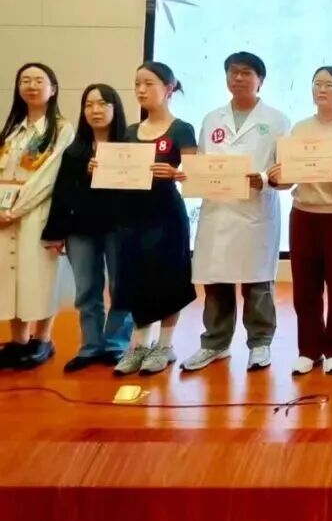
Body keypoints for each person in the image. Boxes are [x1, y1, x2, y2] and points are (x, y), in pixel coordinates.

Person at [181, 52, 291, 373]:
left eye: (246, 73)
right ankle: (215, 344)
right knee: (216, 281)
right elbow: (202, 163)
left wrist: (265, 179)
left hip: (256, 211)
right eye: (233, 72)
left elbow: (285, 170)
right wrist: (190, 176)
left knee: (257, 283)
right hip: (218, 212)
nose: (239, 78)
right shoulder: (211, 119)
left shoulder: (277, 120)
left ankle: (260, 343)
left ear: (260, 80)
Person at [268, 66, 332, 376]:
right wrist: (276, 177)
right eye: (316, 84)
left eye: (329, 84)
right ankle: (309, 349)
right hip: (304, 214)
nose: (321, 89)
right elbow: (287, 178)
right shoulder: (299, 129)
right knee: (305, 286)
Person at [109, 62, 198, 375]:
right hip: (133, 216)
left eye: (148, 83)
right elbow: (119, 174)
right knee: (136, 277)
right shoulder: (130, 132)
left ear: (168, 88)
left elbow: (194, 175)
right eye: (137, 84)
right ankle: (138, 346)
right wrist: (101, 169)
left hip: (167, 215)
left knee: (169, 278)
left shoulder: (181, 129)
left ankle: (165, 345)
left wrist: (174, 173)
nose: (141, 90)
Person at [41, 83, 131, 372]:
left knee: (121, 288)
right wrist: (55, 233)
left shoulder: (130, 147)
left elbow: (139, 190)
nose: (95, 110)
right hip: (81, 230)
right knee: (86, 290)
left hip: (120, 228)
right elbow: (62, 194)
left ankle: (115, 345)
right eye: (89, 104)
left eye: (103, 103)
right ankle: (90, 346)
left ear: (115, 108)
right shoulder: (74, 151)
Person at [0, 63, 75, 369]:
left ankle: (43, 340)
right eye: (25, 80)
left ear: (53, 89)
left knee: (41, 277)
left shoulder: (61, 128)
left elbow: (47, 177)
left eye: (38, 81)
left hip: (37, 214)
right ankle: (18, 341)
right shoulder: (12, 129)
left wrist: (15, 210)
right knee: (10, 277)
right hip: (5, 217)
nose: (31, 86)